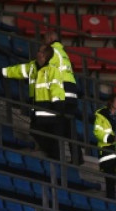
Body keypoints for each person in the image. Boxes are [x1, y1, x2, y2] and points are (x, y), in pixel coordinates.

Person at [46, 33, 82, 164]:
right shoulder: (63, 53)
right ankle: (78, 158)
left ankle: (56, 158)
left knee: (56, 126)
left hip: (62, 94)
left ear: (50, 39)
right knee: (70, 128)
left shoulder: (52, 51)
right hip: (71, 95)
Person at [26, 45, 65, 160]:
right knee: (36, 132)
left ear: (44, 55)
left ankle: (54, 161)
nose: (37, 52)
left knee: (50, 141)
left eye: (39, 51)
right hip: (39, 110)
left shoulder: (52, 71)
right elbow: (18, 71)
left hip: (49, 111)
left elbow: (56, 90)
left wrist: (58, 107)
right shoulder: (34, 68)